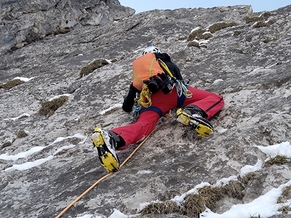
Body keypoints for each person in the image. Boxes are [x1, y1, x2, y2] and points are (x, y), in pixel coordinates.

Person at [92, 46, 224, 172]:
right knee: (215, 98)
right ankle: (193, 111)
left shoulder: (140, 77)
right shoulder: (164, 61)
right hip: (176, 94)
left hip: (151, 102)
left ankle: (113, 137)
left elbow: (127, 107)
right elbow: (178, 78)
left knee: (143, 126)